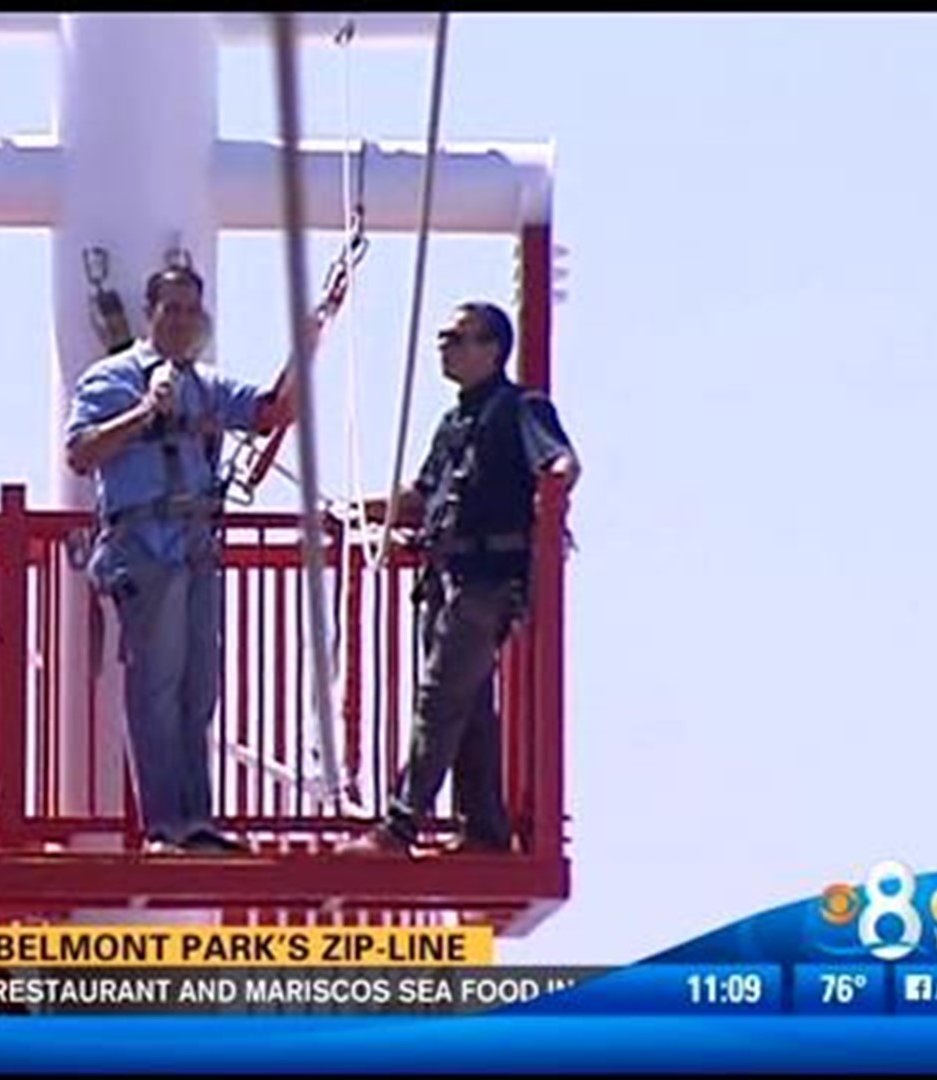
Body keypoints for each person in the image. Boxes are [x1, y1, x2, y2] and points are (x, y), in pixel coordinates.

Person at [64, 263, 296, 855]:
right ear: (150, 313)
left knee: (198, 687)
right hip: (145, 547)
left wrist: (309, 342)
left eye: (192, 310)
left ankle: (196, 819)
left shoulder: (204, 384)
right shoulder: (112, 379)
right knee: (157, 685)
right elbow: (81, 452)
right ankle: (165, 822)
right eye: (172, 309)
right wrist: (144, 412)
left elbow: (270, 412)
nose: (183, 321)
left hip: (194, 546)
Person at [340, 300, 580, 857]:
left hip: (487, 581)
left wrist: (556, 493)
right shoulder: (455, 421)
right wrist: (355, 508)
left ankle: (399, 827)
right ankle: (484, 831)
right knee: (467, 706)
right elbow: (423, 497)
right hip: (448, 578)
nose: (444, 345)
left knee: (441, 697)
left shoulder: (521, 408)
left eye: (458, 337)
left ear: (492, 349)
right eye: (445, 336)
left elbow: (560, 462)